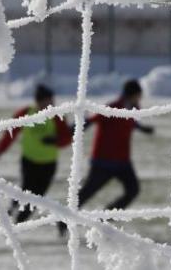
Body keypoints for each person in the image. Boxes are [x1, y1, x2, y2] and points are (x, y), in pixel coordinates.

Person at [58, 79, 154, 236]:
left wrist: (143, 129)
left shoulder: (134, 108)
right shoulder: (113, 107)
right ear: (134, 94)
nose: (140, 98)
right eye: (139, 94)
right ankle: (63, 220)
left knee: (133, 190)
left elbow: (131, 123)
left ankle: (104, 219)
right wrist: (72, 129)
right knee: (87, 192)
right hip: (104, 161)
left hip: (123, 162)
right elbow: (92, 119)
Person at [0, 84, 72, 223]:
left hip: (48, 164)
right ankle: (11, 210)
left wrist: (55, 140)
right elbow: (10, 135)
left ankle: (18, 223)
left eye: (53, 101)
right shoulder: (26, 113)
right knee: (25, 191)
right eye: (49, 101)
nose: (52, 104)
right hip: (29, 161)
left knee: (37, 197)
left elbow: (67, 139)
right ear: (39, 101)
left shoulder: (57, 116)